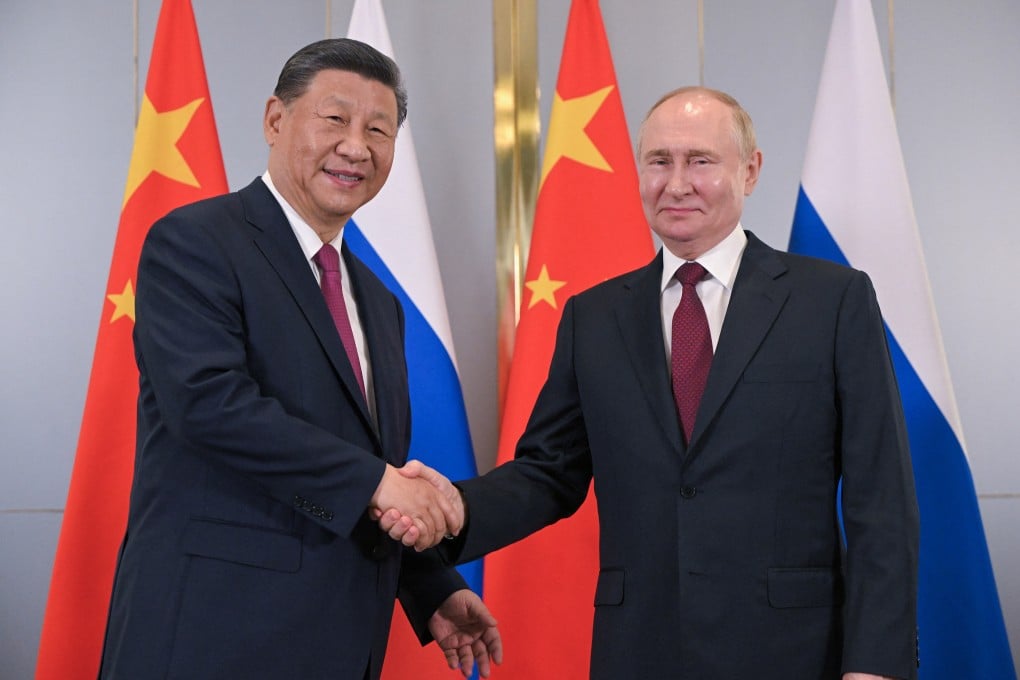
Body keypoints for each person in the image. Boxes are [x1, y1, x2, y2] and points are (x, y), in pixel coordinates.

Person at [382, 87, 920, 679]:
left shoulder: (832, 301)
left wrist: (876, 664)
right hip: (638, 650)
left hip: (792, 651)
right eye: (659, 161)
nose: (677, 182)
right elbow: (549, 474)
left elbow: (882, 501)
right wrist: (455, 506)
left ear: (751, 169)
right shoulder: (594, 317)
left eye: (701, 161)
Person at [99, 38, 501, 680]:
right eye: (335, 119)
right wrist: (379, 482)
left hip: (339, 642)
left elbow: (370, 466)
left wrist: (430, 588)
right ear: (275, 120)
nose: (357, 147)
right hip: (213, 636)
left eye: (379, 130)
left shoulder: (376, 299)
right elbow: (208, 405)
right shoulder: (196, 241)